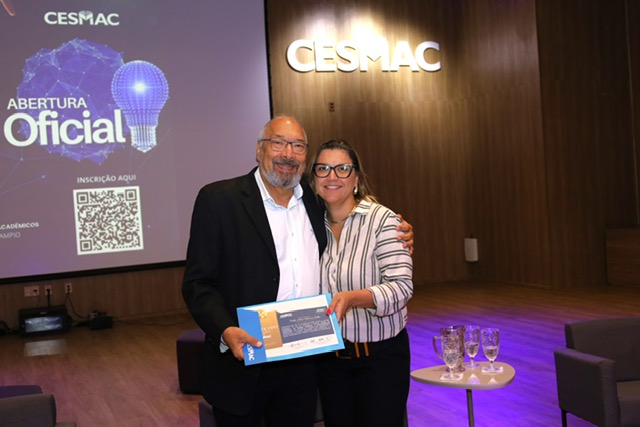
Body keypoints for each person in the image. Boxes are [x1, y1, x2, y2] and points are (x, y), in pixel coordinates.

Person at [182, 116, 413, 427]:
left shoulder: (316, 202)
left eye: (298, 146)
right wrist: (225, 330)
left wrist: (400, 230)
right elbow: (198, 283)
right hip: (243, 361)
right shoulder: (219, 200)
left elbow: (357, 215)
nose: (288, 154)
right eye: (278, 143)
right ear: (259, 150)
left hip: (303, 367)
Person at [308, 139, 413, 427]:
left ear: (356, 178)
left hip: (380, 360)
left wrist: (353, 298)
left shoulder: (383, 221)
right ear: (314, 179)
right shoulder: (309, 226)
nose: (332, 176)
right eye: (323, 169)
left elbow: (402, 288)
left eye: (342, 168)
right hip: (329, 362)